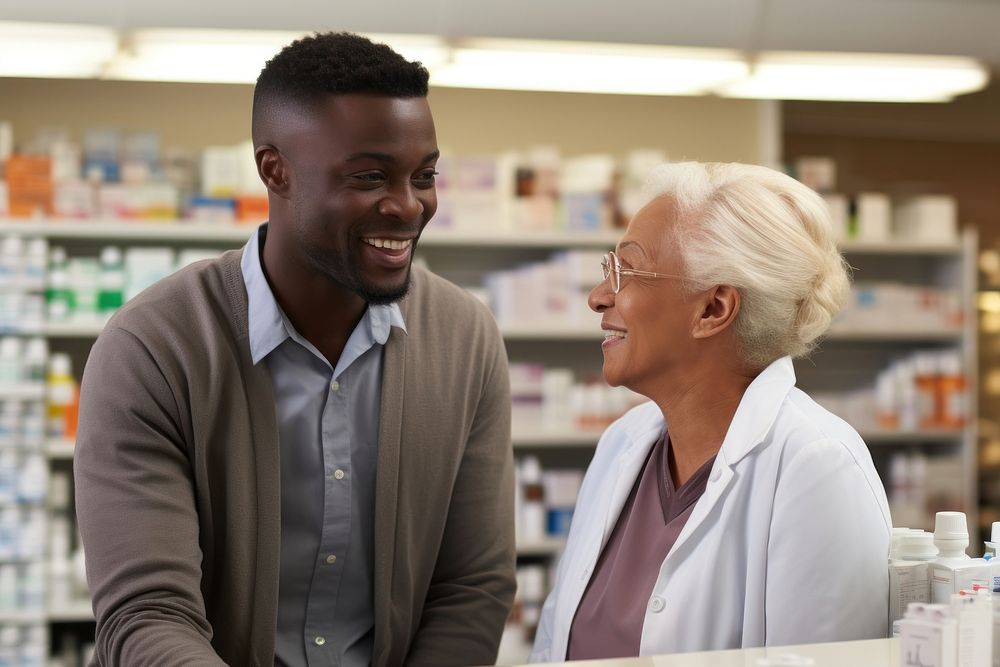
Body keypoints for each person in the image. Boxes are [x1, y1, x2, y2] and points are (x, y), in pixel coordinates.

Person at [74, 32, 515, 667]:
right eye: (370, 176)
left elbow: (473, 586)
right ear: (274, 170)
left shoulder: (465, 340)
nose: (408, 205)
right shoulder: (154, 346)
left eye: (423, 176)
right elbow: (146, 614)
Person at [529, 162, 892, 662]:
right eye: (607, 269)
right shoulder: (623, 443)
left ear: (714, 310)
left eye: (627, 272)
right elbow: (553, 644)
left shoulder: (817, 467)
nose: (598, 297)